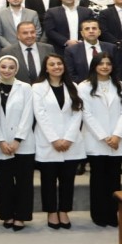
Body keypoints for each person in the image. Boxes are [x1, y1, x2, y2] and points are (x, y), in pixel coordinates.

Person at [78, 53, 122, 227]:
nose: (105, 67)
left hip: (117, 140)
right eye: (101, 63)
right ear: (94, 66)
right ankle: (99, 215)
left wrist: (117, 135)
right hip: (96, 140)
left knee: (114, 178)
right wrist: (104, 136)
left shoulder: (121, 86)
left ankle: (112, 214)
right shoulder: (84, 86)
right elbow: (86, 114)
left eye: (108, 63)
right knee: (98, 178)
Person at [32, 54, 84, 230]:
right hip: (48, 141)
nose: (56, 67)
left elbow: (77, 113)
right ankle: (51, 212)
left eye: (59, 63)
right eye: (52, 64)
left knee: (67, 180)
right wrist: (54, 139)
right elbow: (40, 114)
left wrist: (68, 138)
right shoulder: (38, 87)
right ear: (46, 68)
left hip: (71, 142)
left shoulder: (73, 86)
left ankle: (64, 211)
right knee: (48, 180)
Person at [0, 55, 35, 231]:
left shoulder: (25, 88)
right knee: (4, 182)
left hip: (23, 143)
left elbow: (28, 114)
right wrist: (1, 140)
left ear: (16, 70)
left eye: (11, 67)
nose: (7, 70)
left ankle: (21, 216)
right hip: (0, 144)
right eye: (3, 67)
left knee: (24, 182)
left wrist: (18, 139)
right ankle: (7, 215)